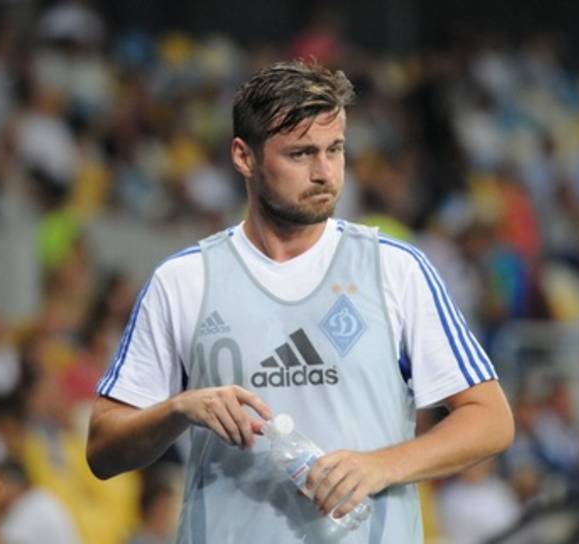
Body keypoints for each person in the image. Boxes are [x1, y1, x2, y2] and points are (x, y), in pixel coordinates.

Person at [86, 60, 514, 543]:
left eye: (335, 149)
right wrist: (179, 409)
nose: (324, 173)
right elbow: (102, 449)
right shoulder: (184, 281)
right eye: (301, 154)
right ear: (244, 157)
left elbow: (490, 418)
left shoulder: (394, 270)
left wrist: (381, 466)